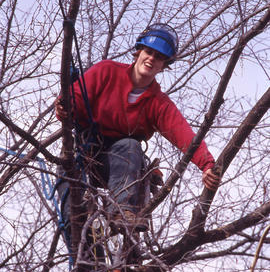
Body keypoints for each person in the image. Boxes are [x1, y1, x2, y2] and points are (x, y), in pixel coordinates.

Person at [55, 23, 220, 236]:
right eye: (148, 52)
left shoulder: (158, 103)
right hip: (82, 154)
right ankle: (84, 254)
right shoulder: (106, 71)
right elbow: (75, 96)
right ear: (137, 53)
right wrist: (64, 105)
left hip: (121, 167)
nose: (152, 58)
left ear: (164, 65)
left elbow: (184, 134)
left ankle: (121, 214)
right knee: (73, 215)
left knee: (129, 146)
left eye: (159, 57)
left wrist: (207, 164)